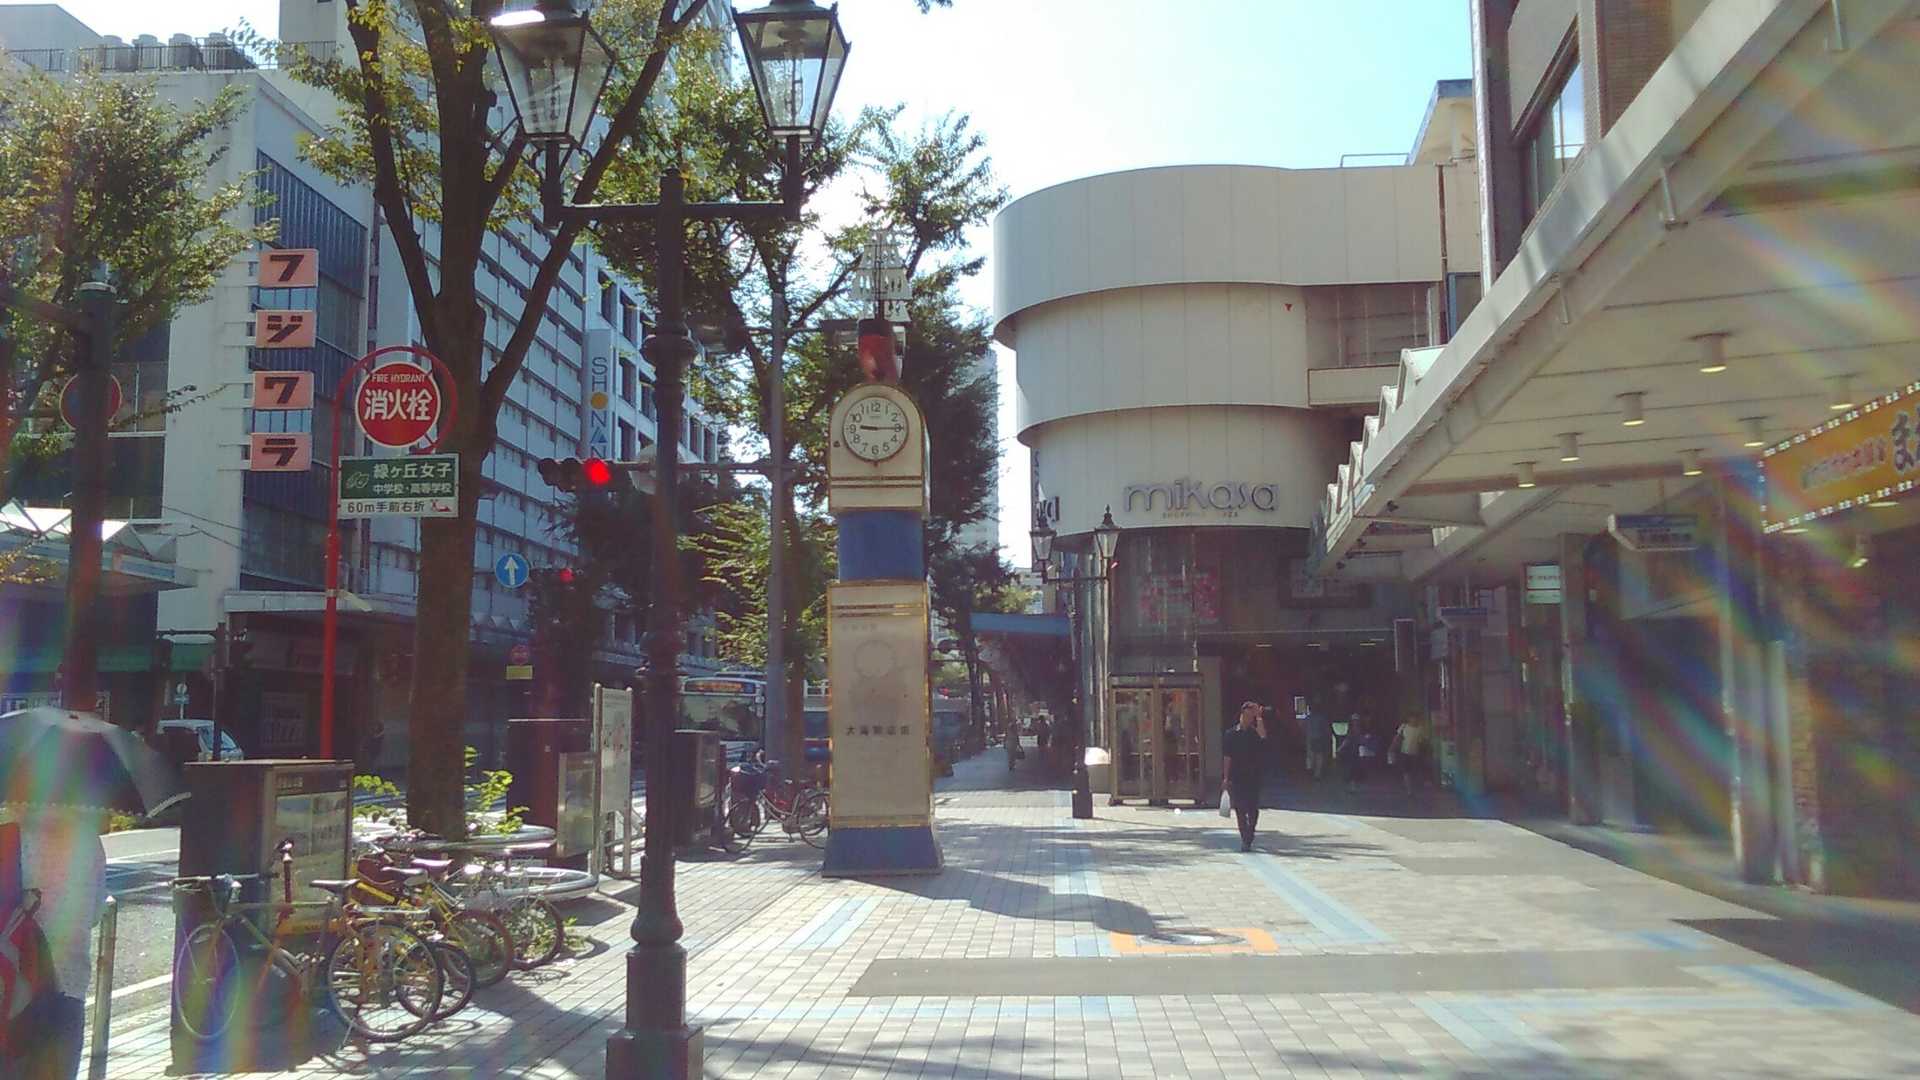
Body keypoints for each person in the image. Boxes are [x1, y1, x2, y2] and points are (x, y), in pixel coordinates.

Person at [6, 807, 106, 1080]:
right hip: (69, 985)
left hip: (14, 988)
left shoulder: (11, 838)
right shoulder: (88, 840)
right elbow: (95, 914)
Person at [1220, 701, 1270, 852]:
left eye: (1251, 716)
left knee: (1253, 809)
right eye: (1247, 715)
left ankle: (1250, 833)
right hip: (1237, 777)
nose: (1249, 719)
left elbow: (1263, 736)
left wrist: (1259, 717)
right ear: (1241, 715)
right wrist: (1225, 778)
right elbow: (1227, 757)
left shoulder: (1254, 733)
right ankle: (1245, 839)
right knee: (1240, 810)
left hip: (1254, 776)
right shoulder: (1231, 734)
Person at [1394, 714, 1426, 795]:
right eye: (1412, 718)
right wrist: (1393, 747)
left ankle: (1411, 787)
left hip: (1415, 753)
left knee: (1413, 771)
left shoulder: (1420, 729)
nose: (1413, 720)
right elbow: (1397, 737)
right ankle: (1409, 790)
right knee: (1406, 771)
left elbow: (1421, 742)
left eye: (1415, 718)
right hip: (1404, 752)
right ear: (1408, 719)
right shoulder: (1404, 726)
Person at [1303, 702, 1333, 781]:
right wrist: (1328, 736)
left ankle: (1310, 769)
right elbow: (1326, 729)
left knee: (1310, 755)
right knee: (1319, 756)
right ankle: (1317, 774)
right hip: (1318, 738)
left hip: (1309, 738)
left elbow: (1303, 728)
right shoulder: (1321, 718)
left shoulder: (1307, 718)